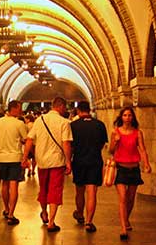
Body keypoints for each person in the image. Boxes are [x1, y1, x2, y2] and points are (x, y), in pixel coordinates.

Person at [23, 97, 72, 232]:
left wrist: (24, 157)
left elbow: (29, 139)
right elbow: (66, 143)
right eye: (64, 107)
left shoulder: (39, 120)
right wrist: (68, 161)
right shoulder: (64, 122)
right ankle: (51, 222)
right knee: (55, 190)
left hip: (42, 161)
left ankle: (44, 212)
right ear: (61, 106)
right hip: (57, 161)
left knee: (43, 188)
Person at [108, 107, 152, 240]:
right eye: (125, 115)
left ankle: (126, 219)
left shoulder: (138, 133)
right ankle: (123, 228)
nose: (127, 118)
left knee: (130, 198)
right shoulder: (115, 132)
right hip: (121, 168)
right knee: (122, 198)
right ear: (121, 117)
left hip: (134, 169)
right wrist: (115, 141)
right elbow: (111, 150)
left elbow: (142, 150)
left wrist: (146, 163)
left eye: (129, 115)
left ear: (133, 117)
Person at [0, 100, 28, 225]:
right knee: (13, 185)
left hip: (1, 158)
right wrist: (26, 155)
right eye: (19, 108)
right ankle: (11, 214)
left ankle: (6, 208)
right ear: (14, 108)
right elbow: (26, 140)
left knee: (4, 184)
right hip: (15, 158)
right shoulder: (19, 124)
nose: (21, 111)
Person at [70, 101, 107, 233]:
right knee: (92, 191)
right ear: (90, 110)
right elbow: (103, 144)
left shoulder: (73, 125)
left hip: (79, 161)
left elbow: (71, 146)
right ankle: (89, 221)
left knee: (79, 191)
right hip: (95, 161)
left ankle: (80, 213)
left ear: (78, 111)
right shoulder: (100, 125)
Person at [24, 113, 36, 177]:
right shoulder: (35, 124)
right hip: (35, 143)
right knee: (34, 158)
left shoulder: (27, 126)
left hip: (29, 143)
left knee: (28, 158)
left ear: (28, 119)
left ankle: (29, 169)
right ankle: (33, 170)